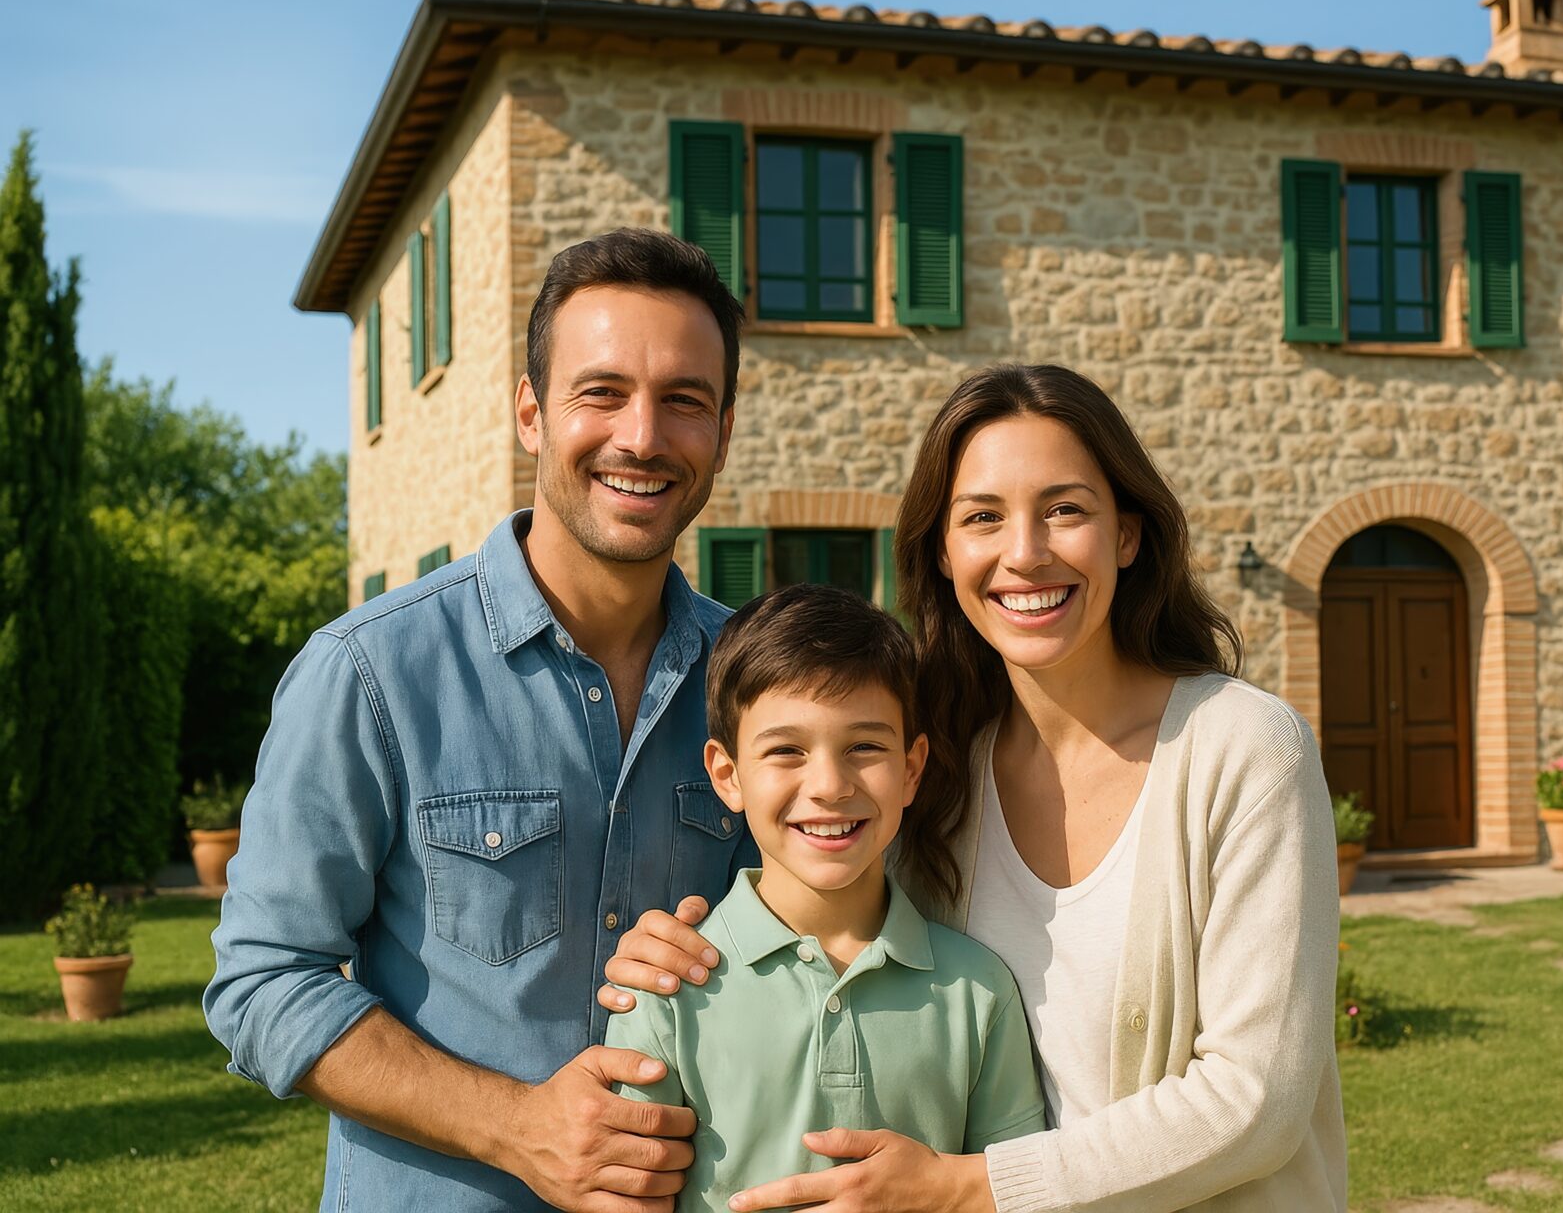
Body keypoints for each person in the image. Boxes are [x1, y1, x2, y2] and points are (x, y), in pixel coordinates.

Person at [604, 364, 1346, 1212]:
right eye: (984, 518)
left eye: (1064, 510)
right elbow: (813, 874)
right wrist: (677, 949)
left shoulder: (1243, 750)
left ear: (1128, 536)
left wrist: (970, 1188)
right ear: (946, 553)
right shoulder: (944, 764)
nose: (1024, 552)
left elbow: (1258, 1100)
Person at [205, 229, 749, 1211]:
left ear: (723, 428)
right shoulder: (370, 672)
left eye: (684, 400)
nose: (641, 434)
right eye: (601, 391)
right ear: (531, 413)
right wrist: (518, 1126)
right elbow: (261, 981)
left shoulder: (759, 684)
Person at [605, 583, 1047, 1210]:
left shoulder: (979, 993)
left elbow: (1008, 1193)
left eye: (864, 747)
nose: (829, 786)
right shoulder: (665, 993)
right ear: (727, 775)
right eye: (786, 751)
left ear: (912, 770)